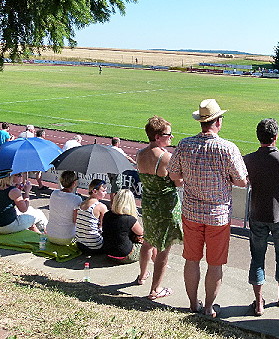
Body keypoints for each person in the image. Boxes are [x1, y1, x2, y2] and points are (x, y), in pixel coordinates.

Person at [168, 99, 247, 318]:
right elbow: (242, 181)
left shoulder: (184, 145)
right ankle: (209, 307)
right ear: (218, 122)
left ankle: (193, 304)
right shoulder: (228, 148)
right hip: (218, 217)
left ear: (201, 122)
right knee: (215, 264)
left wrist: (187, 181)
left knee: (191, 260)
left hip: (191, 213)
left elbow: (174, 175)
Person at [243, 119, 279, 316]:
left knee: (257, 257)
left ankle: (258, 302)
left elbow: (245, 181)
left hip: (257, 214)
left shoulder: (248, 160)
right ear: (275, 137)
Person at [136, 116, 183, 300]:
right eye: (168, 135)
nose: (171, 138)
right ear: (157, 136)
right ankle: (155, 290)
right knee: (164, 249)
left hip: (148, 205)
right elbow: (178, 182)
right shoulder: (165, 158)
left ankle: (142, 276)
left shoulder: (140, 154)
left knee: (147, 240)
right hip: (165, 209)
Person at [102, 189, 145, 265]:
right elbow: (142, 233)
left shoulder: (107, 214)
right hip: (124, 255)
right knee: (147, 245)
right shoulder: (130, 219)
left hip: (107, 252)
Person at [46, 171, 82, 245]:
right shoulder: (76, 199)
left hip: (50, 235)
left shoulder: (54, 193)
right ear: (74, 183)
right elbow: (76, 220)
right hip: (67, 238)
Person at [74, 179, 108, 254]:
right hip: (95, 246)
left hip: (80, 244)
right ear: (94, 191)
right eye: (103, 191)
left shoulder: (81, 204)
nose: (105, 193)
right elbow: (105, 226)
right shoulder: (101, 207)